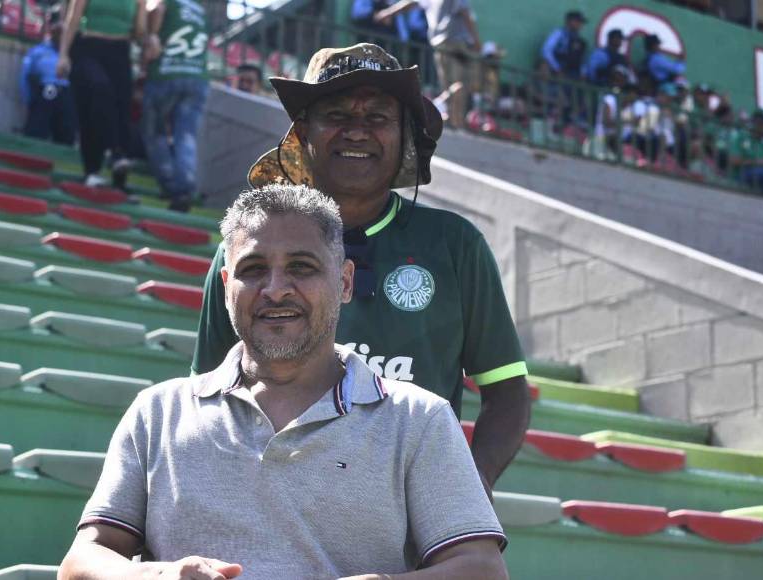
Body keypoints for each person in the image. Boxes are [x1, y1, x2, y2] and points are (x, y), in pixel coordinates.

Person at [59, 184, 509, 579]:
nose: (276, 289)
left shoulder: (419, 419)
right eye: (253, 269)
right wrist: (160, 576)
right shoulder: (157, 413)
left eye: (302, 267)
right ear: (225, 285)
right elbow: (83, 561)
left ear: (346, 282)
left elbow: (483, 570)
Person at [193, 44, 532, 501]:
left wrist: (470, 483)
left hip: (408, 508)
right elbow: (209, 393)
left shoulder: (455, 244)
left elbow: (508, 394)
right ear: (303, 131)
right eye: (337, 114)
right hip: (271, 499)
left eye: (377, 117)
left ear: (404, 137)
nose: (357, 132)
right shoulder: (247, 248)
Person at [57, 0, 144, 188]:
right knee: (98, 91)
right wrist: (63, 55)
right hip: (88, 47)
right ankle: (98, 165)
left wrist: (143, 11)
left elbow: (139, 33)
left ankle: (119, 179)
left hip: (120, 51)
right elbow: (73, 19)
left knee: (121, 108)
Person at [140, 0, 209, 212]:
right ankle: (185, 187)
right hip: (197, 76)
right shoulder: (199, 10)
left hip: (166, 72)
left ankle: (170, 184)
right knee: (185, 135)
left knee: (155, 132)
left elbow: (155, 8)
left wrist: (150, 35)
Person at [374, 0, 482, 129]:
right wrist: (476, 40)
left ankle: (451, 118)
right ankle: (450, 117)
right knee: (460, 85)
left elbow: (410, 3)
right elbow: (464, 13)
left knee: (450, 85)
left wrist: (388, 13)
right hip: (457, 44)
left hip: (440, 43)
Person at [20, 6, 76, 145]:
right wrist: (29, 101)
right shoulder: (37, 52)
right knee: (35, 136)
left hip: (68, 98)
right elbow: (25, 78)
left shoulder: (76, 53)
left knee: (66, 139)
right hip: (44, 96)